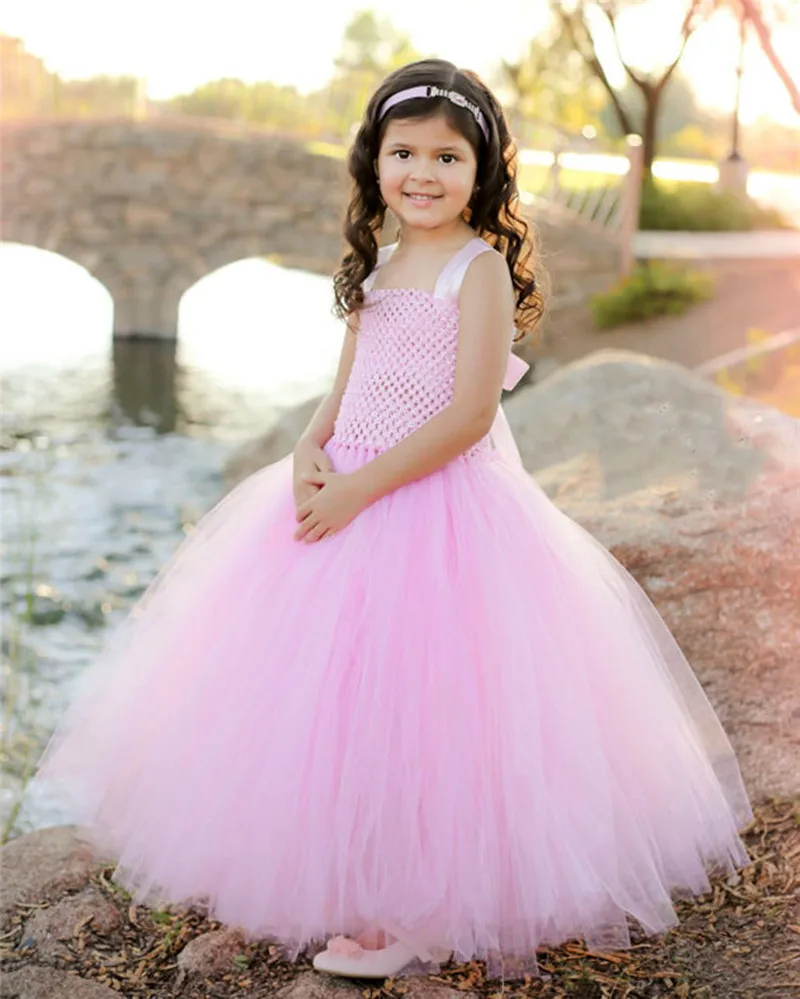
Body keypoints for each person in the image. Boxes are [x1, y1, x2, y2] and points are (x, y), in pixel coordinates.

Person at [29, 59, 753, 983]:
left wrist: (363, 490)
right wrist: (305, 451)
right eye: (403, 151)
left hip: (437, 505)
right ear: (374, 161)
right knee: (329, 702)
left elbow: (469, 415)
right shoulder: (377, 262)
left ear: (482, 172)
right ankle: (341, 867)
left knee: (432, 708)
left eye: (447, 157)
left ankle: (419, 904)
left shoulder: (475, 268)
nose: (422, 172)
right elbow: (346, 387)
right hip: (346, 489)